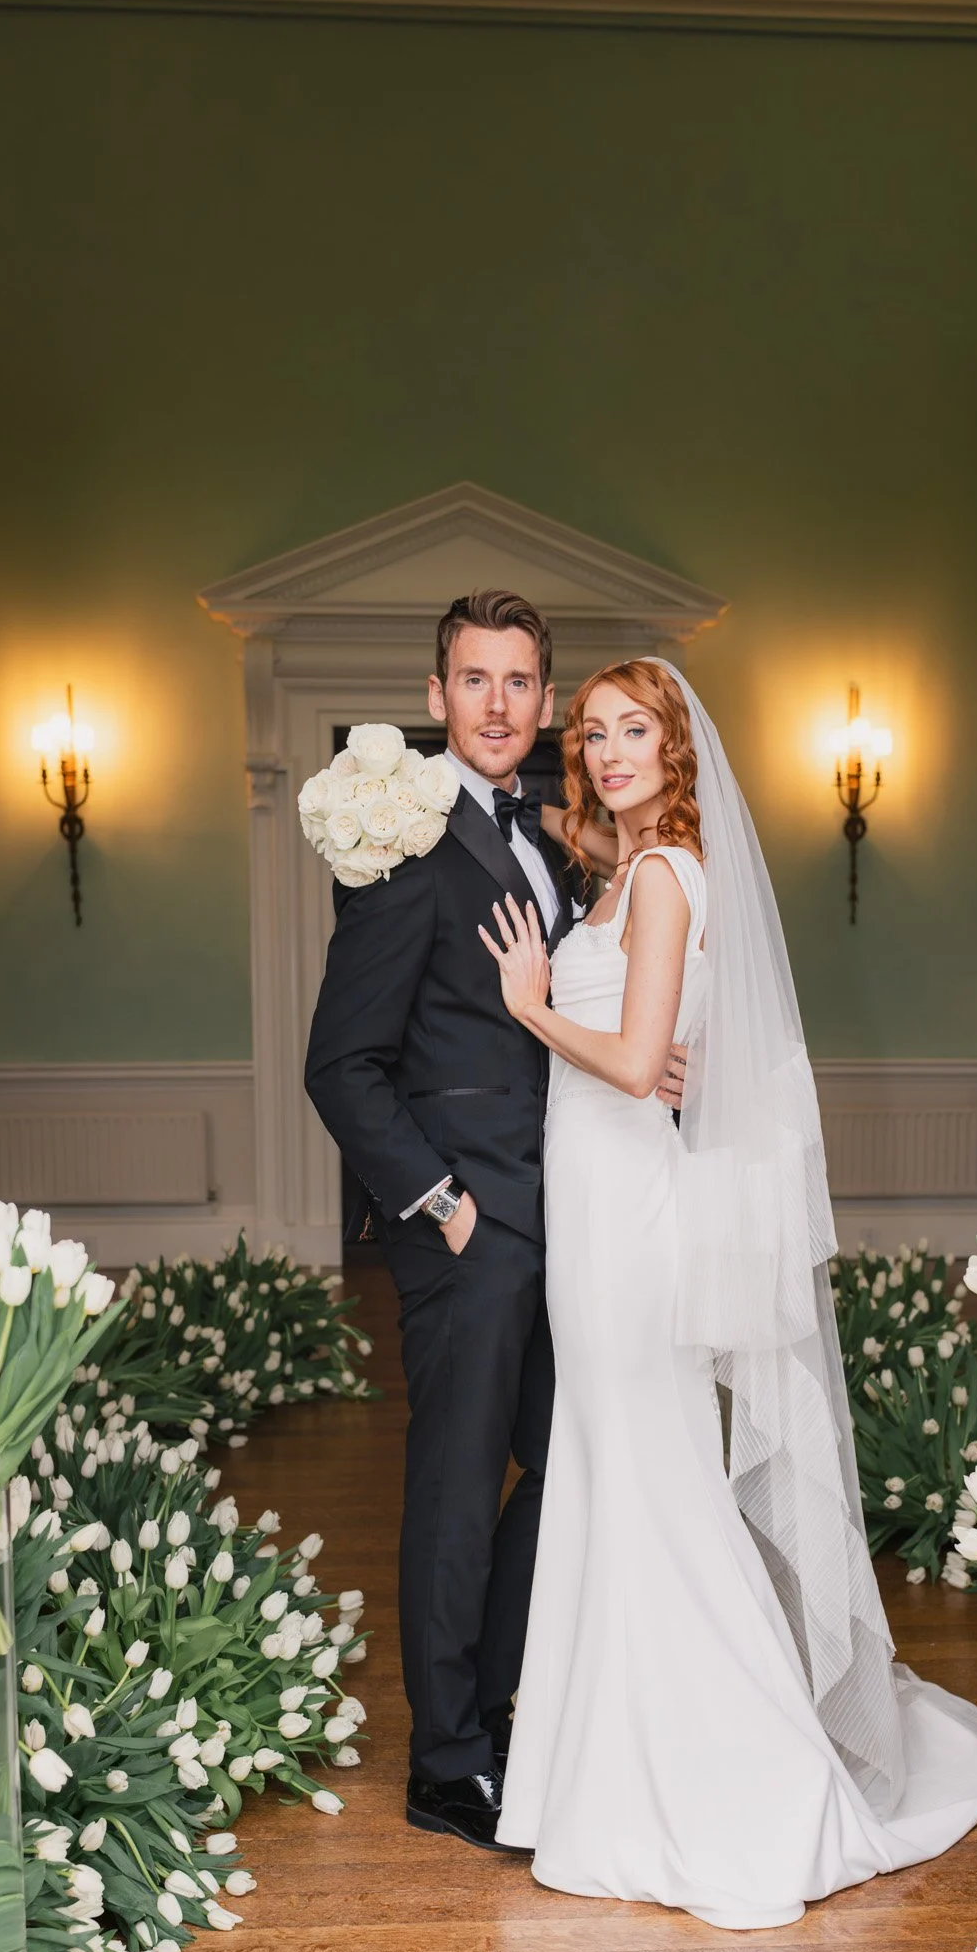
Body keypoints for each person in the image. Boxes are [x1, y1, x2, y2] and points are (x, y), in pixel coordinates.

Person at [479, 660, 977, 1930]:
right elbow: (666, 1052)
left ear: (677, 750)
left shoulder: (664, 876)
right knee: (612, 1472)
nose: (609, 751)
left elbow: (623, 1061)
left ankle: (740, 1776)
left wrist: (531, 1007)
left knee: (650, 1477)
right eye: (595, 732)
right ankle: (599, 1777)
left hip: (630, 1221)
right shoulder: (622, 873)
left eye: (635, 731)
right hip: (595, 1214)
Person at [304, 589, 629, 1850]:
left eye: (518, 683)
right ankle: (445, 1763)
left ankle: (496, 1708)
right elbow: (342, 1064)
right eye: (473, 681)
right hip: (470, 1231)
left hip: (569, 1223)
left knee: (569, 1464)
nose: (497, 704)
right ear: (436, 697)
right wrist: (438, 1205)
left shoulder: (550, 845)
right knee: (454, 1484)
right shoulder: (401, 842)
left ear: (545, 704)